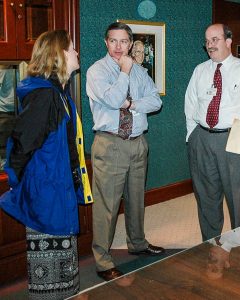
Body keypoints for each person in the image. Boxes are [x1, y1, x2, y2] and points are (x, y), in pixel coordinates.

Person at [0, 29, 93, 299]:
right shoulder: (45, 96)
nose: (76, 53)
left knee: (64, 267)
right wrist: (24, 185)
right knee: (49, 276)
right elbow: (20, 145)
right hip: (46, 194)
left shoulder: (58, 93)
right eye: (72, 48)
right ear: (59, 54)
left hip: (56, 189)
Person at [86, 21, 164, 281]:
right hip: (111, 144)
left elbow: (155, 101)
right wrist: (124, 72)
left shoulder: (140, 72)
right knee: (107, 206)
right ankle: (102, 260)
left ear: (131, 43)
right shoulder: (97, 71)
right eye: (113, 41)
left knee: (136, 199)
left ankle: (138, 243)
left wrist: (132, 102)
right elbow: (111, 99)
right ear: (105, 43)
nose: (119, 47)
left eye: (124, 41)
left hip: (138, 142)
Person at [185, 23, 240, 241]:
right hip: (202, 139)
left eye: (215, 40)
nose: (210, 45)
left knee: (238, 198)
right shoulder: (200, 71)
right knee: (206, 196)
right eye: (207, 41)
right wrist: (192, 136)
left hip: (235, 139)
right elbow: (190, 104)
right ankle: (210, 244)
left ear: (228, 41)